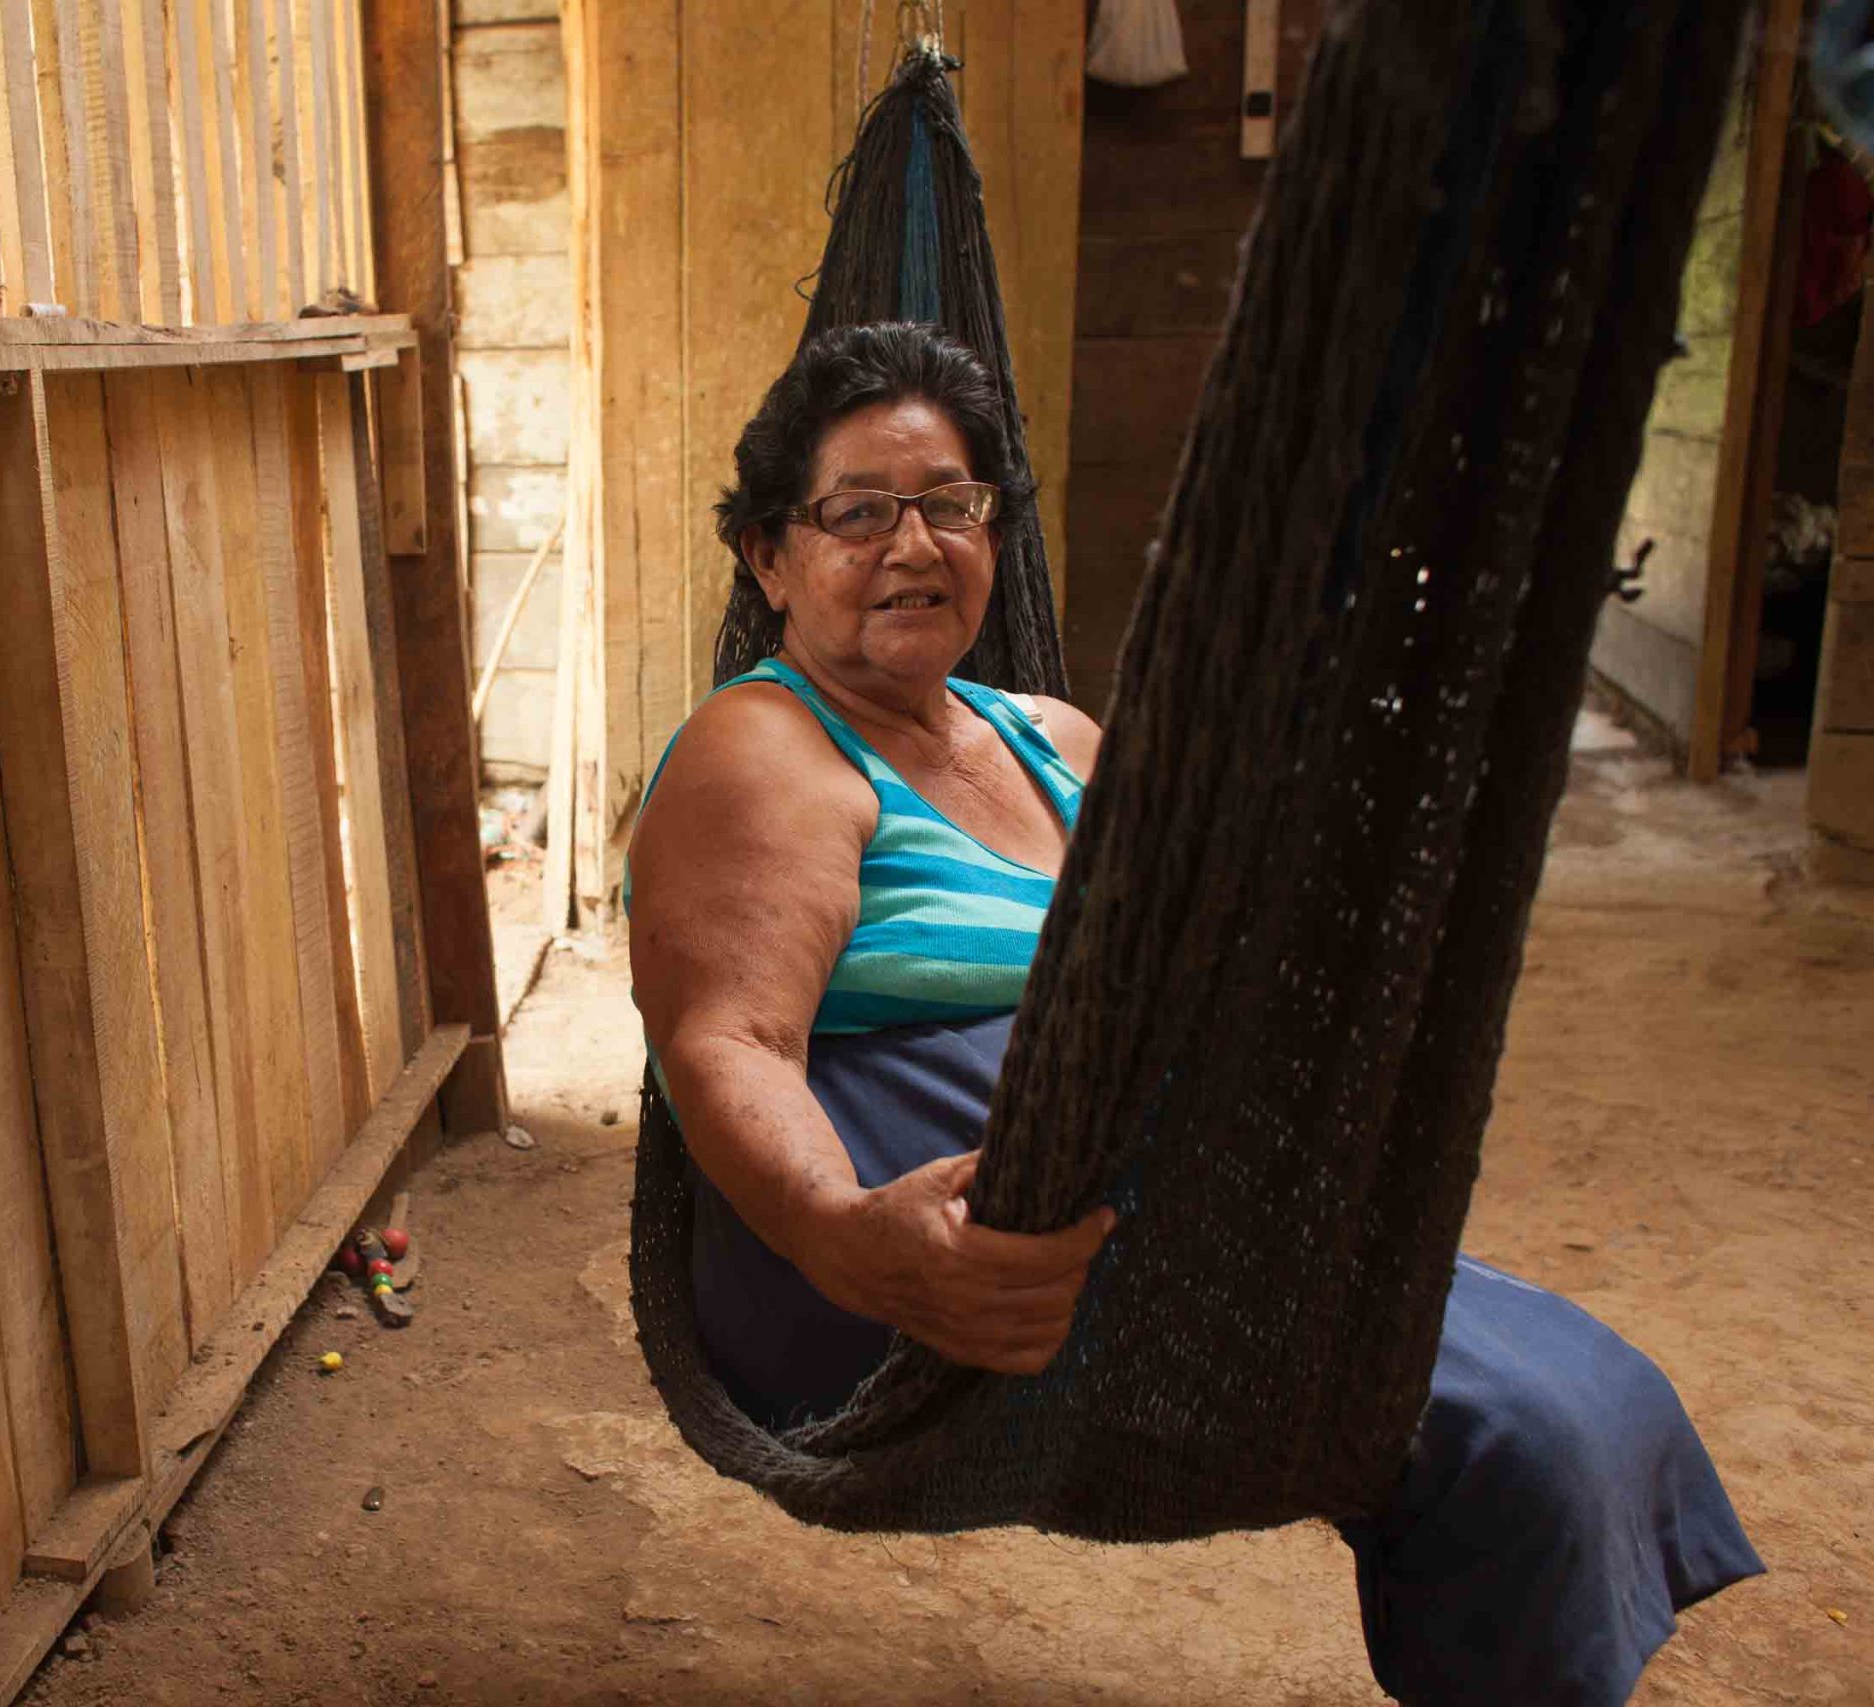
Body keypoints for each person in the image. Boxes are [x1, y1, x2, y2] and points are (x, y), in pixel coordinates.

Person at [624, 320, 1763, 1705]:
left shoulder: (1051, 733)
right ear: (770, 557)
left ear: (996, 533)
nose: (914, 546)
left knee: (1587, 1390)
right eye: (858, 514)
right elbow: (726, 1043)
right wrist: (846, 1235)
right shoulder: (766, 747)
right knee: (1508, 1439)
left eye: (952, 505)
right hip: (917, 1277)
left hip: (1179, 1238)